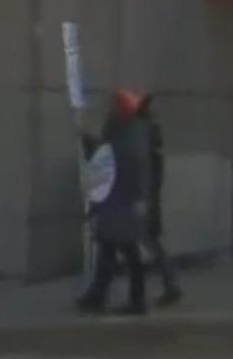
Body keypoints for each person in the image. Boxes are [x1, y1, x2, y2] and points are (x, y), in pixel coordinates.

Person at [77, 88, 153, 316]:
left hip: (121, 202)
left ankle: (132, 300)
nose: (109, 110)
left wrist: (91, 147)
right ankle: (98, 295)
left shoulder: (127, 137)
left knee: (125, 252)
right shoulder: (125, 134)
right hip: (117, 202)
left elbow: (111, 161)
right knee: (110, 250)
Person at [136, 93, 182, 307]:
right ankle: (170, 284)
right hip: (147, 195)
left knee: (149, 240)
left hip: (145, 196)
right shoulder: (150, 133)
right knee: (150, 241)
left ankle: (170, 285)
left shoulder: (146, 134)